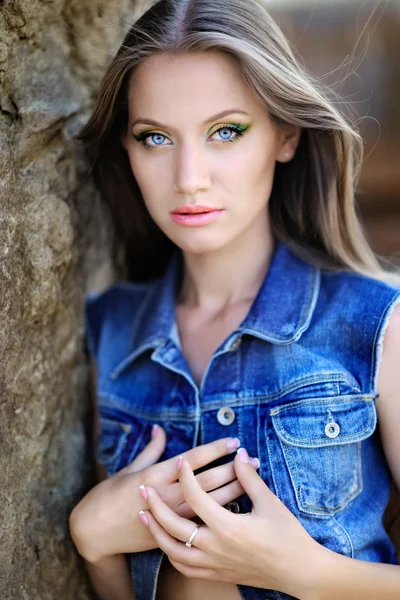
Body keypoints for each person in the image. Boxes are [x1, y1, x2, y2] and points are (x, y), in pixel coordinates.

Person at [68, 0, 400, 599]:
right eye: (156, 138)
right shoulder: (111, 330)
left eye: (226, 131)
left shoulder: (377, 323)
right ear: (128, 149)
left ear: (286, 135)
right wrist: (92, 537)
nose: (189, 176)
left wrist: (306, 573)